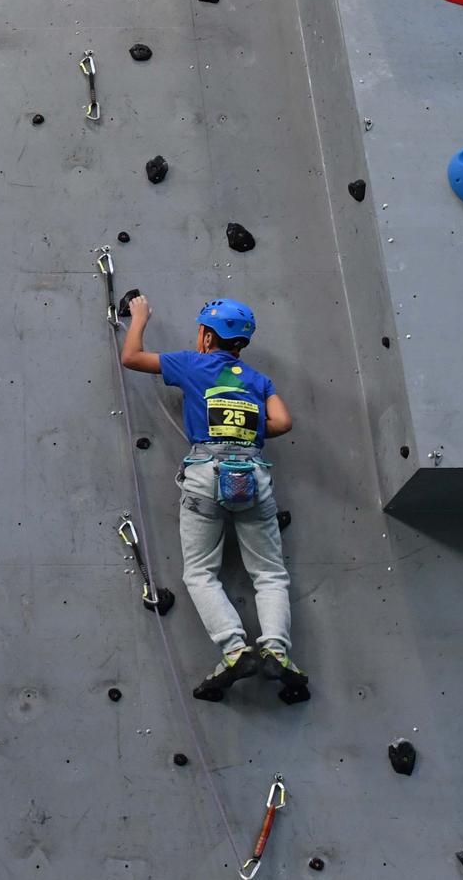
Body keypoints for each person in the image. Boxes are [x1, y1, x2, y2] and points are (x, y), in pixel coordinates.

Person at [120, 295, 309, 704]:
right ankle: (276, 650)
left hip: (206, 474)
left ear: (206, 335)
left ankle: (234, 649)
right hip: (254, 476)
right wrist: (245, 431)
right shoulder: (260, 381)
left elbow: (132, 357)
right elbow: (282, 421)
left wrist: (139, 317)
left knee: (201, 574)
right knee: (270, 574)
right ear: (241, 343)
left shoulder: (193, 363)